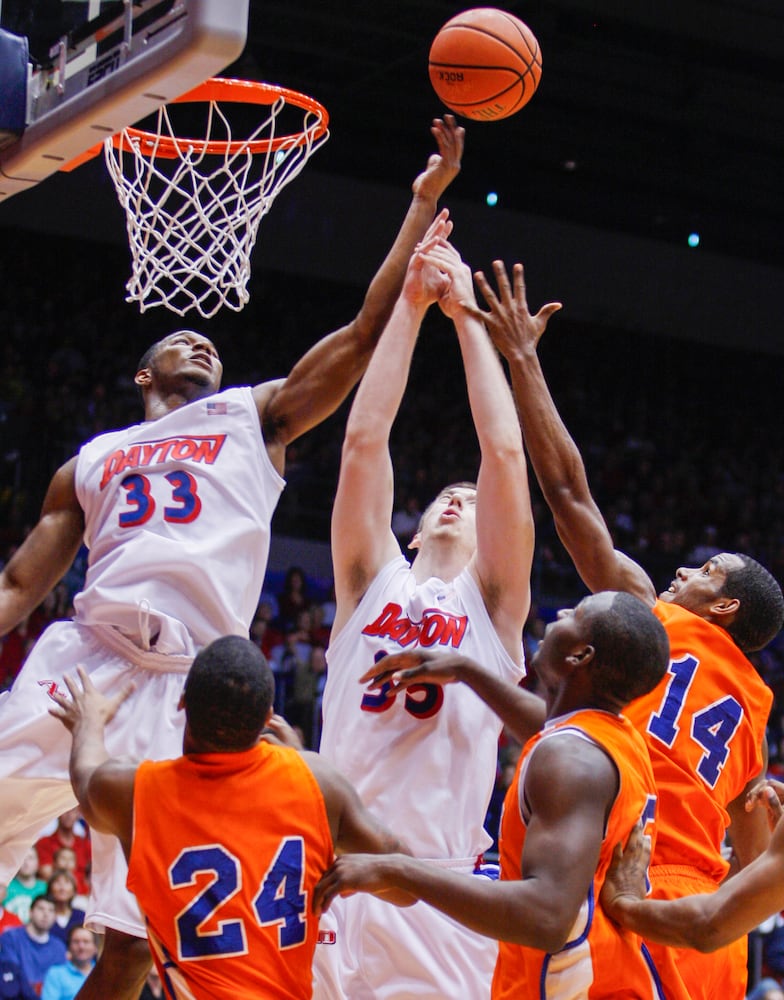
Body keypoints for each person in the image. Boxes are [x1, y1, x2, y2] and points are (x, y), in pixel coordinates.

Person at [0, 116, 464, 1000]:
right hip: (82, 663)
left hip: (187, 683)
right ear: (143, 376)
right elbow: (22, 584)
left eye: (207, 341)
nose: (200, 343)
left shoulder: (255, 419)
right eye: (177, 342)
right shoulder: (88, 461)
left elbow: (362, 336)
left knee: (134, 938)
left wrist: (420, 205)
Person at [471, 258, 784, 999]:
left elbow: (568, 493)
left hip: (624, 886)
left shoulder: (650, 620)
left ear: (725, 607)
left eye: (705, 573)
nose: (681, 574)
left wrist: (523, 360)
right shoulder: (754, 717)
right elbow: (757, 856)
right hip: (709, 929)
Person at [313, 229, 535, 998]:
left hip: (437, 888)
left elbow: (505, 457)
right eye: (446, 494)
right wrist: (408, 306)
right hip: (329, 869)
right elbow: (363, 442)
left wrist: (468, 318)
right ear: (412, 525)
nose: (457, 498)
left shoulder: (493, 604)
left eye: (471, 502)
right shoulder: (368, 583)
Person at [314, 591, 688, 998]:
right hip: (610, 971)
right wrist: (466, 670)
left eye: (574, 614)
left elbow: (546, 918)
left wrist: (397, 869)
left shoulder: (570, 760)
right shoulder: (614, 737)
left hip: (575, 986)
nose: (559, 613)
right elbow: (548, 729)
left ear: (580, 655)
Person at [48, 635, 413, 1000]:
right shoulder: (318, 783)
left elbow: (86, 776)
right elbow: (408, 883)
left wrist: (89, 724)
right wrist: (301, 762)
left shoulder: (134, 792)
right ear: (267, 718)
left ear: (182, 702)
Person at [0, 896, 67, 996]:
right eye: (41, 909)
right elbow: (10, 974)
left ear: (55, 917)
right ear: (30, 913)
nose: (46, 914)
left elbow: (59, 982)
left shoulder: (59, 947)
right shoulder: (10, 937)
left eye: (51, 910)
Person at [40, 926, 97, 1000]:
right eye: (76, 942)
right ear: (69, 946)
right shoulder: (56, 974)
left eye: (86, 942)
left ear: (95, 947)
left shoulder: (103, 975)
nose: (81, 947)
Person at [4, 852, 46, 925]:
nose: (26, 863)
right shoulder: (4, 887)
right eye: (22, 858)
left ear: (38, 862)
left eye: (30, 858)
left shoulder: (46, 887)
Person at [45, 872, 85, 946]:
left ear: (74, 890)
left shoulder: (81, 916)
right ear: (50, 889)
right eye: (57, 882)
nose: (62, 888)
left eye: (67, 882)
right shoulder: (45, 915)